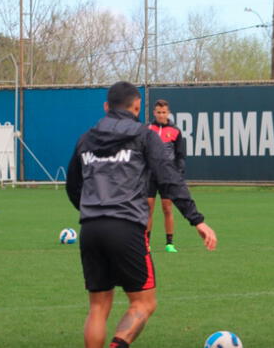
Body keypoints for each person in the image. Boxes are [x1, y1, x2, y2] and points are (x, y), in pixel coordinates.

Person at [66, 81, 217, 348]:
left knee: (98, 308)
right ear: (137, 107)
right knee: (144, 303)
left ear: (106, 107)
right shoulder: (144, 136)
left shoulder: (85, 139)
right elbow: (169, 178)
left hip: (90, 230)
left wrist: (92, 211)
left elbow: (73, 186)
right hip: (126, 229)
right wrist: (197, 219)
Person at [147, 99, 186, 253]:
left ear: (168, 113)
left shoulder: (175, 131)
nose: (161, 115)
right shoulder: (147, 129)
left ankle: (169, 243)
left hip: (167, 175)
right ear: (154, 113)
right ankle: (146, 243)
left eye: (164, 112)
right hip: (150, 175)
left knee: (167, 208)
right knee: (148, 209)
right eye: (158, 112)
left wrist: (179, 174)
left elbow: (180, 155)